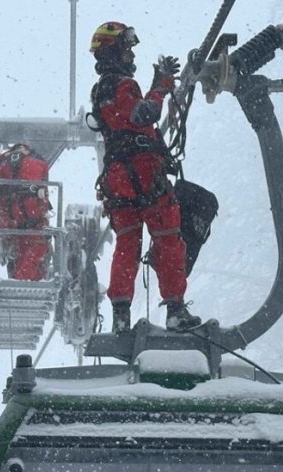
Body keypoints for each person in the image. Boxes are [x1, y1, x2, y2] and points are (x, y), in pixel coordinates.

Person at [88, 21, 202, 333]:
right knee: (168, 237)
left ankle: (121, 316)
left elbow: (125, 120)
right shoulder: (123, 85)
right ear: (113, 51)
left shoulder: (101, 90)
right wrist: (161, 87)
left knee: (127, 244)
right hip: (141, 171)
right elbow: (143, 115)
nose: (130, 52)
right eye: (125, 46)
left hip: (117, 178)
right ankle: (175, 309)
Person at [0, 143, 51, 281]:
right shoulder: (38, 160)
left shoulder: (2, 161)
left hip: (14, 220)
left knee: (21, 257)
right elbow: (43, 189)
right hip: (33, 220)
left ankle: (20, 281)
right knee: (34, 254)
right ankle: (24, 281)